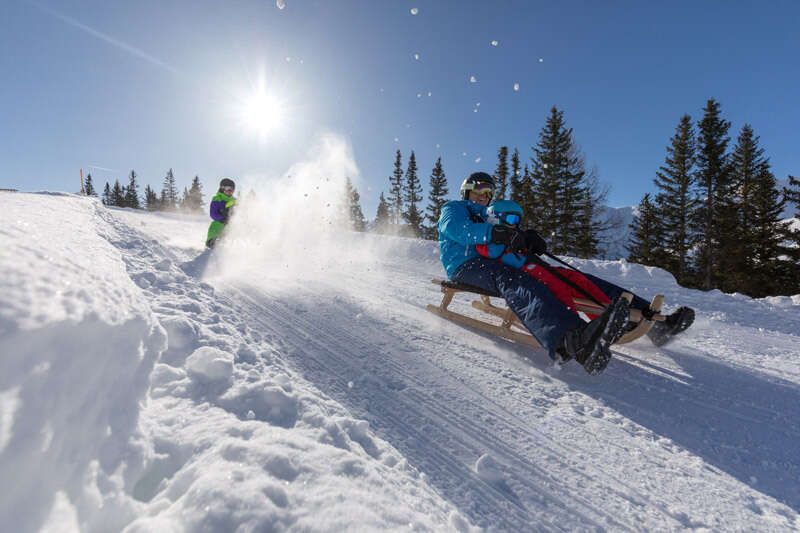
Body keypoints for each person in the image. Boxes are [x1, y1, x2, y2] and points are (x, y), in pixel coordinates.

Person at [437, 172, 690, 375]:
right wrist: (496, 234)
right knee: (515, 280)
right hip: (466, 266)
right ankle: (568, 340)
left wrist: (526, 238)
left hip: (498, 262)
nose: (483, 196)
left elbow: (505, 230)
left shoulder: (490, 214)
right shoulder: (455, 208)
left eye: (488, 192)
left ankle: (652, 321)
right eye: (479, 190)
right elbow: (456, 229)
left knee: (567, 276)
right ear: (467, 191)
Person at [476, 199, 695, 346]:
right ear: (496, 218)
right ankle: (574, 327)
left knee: (582, 281)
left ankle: (625, 319)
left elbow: (518, 250)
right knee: (561, 290)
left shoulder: (509, 235)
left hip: (537, 269)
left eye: (518, 221)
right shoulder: (487, 238)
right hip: (525, 276)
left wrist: (527, 241)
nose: (516, 225)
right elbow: (492, 252)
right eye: (512, 220)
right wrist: (511, 240)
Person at [206, 178, 237, 248]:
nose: (230, 191)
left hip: (230, 225)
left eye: (232, 190)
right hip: (219, 224)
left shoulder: (234, 200)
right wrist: (222, 218)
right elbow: (213, 214)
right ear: (222, 188)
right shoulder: (217, 199)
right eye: (228, 189)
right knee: (217, 226)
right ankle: (212, 241)